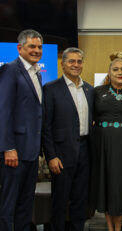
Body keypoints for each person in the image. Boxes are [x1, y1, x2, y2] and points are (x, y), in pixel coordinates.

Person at [42, 47, 94, 231]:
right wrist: (51, 156)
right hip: (61, 155)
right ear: (62, 64)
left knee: (80, 202)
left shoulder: (89, 89)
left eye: (79, 61)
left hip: (85, 152)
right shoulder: (51, 88)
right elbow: (46, 126)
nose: (76, 65)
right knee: (59, 202)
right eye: (71, 61)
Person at [91, 52, 122, 231]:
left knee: (119, 184)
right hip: (102, 143)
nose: (120, 72)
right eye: (116, 69)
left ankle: (117, 227)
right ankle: (110, 227)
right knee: (106, 183)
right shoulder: (97, 92)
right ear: (109, 73)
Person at [0, 29, 43, 231]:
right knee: (8, 205)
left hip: (31, 152)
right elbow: (4, 111)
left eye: (39, 47)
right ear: (20, 48)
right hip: (14, 152)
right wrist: (8, 147)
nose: (36, 50)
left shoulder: (36, 74)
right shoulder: (10, 69)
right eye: (31, 46)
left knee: (25, 206)